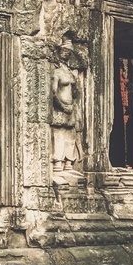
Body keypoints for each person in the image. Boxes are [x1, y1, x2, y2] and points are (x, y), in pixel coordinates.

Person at [51, 37, 83, 174]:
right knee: (59, 134)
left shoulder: (70, 74)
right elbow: (53, 93)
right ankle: (57, 162)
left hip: (71, 107)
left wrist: (76, 84)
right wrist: (62, 106)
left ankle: (69, 162)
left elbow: (76, 93)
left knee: (71, 135)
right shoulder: (56, 72)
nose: (66, 54)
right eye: (64, 51)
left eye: (69, 52)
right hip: (60, 107)